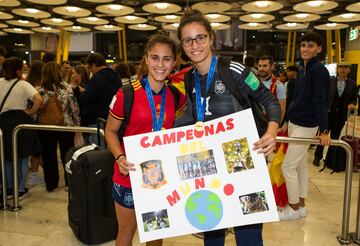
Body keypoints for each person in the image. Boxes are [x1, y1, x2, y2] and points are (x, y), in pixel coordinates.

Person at [177, 9, 281, 246]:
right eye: (188, 40)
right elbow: (193, 115)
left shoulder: (233, 70)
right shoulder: (189, 78)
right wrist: (162, 135)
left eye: (200, 37)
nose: (195, 45)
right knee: (212, 228)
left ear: (211, 38)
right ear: (182, 45)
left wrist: (271, 131)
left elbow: (270, 101)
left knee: (248, 235)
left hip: (243, 159)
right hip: (209, 162)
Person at [105, 33, 186, 246]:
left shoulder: (177, 97)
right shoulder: (126, 94)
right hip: (128, 174)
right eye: (155, 57)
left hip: (160, 178)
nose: (160, 64)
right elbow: (110, 132)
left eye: (167, 59)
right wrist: (119, 157)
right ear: (146, 59)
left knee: (155, 233)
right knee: (126, 233)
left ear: (175, 61)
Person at [279, 32, 331, 220]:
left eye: (310, 45)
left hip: (307, 126)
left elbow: (321, 101)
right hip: (295, 122)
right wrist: (286, 122)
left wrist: (324, 130)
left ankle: (293, 208)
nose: (305, 49)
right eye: (303, 45)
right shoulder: (303, 69)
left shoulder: (319, 71)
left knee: (288, 167)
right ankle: (300, 205)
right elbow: (296, 99)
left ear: (318, 49)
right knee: (300, 166)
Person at [0, 57, 42, 200]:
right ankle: (20, 189)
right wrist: (31, 112)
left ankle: (9, 189)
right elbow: (39, 99)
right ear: (18, 70)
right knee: (22, 157)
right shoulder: (23, 84)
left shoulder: (0, 82)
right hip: (20, 123)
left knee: (6, 158)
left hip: (3, 123)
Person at [37, 61, 81, 192]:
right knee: (67, 154)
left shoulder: (39, 89)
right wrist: (77, 124)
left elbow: (38, 108)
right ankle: (69, 183)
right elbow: (74, 108)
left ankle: (51, 184)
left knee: (48, 156)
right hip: (65, 126)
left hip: (46, 127)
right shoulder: (66, 87)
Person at [313, 62, 357, 166]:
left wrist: (352, 104)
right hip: (327, 114)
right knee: (323, 136)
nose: (343, 70)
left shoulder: (352, 84)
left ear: (349, 70)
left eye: (346, 68)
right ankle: (317, 157)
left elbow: (354, 100)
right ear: (337, 69)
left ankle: (329, 161)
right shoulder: (329, 80)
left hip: (341, 116)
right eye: (341, 67)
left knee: (335, 138)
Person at [78, 53, 121, 145]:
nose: (90, 71)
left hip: (97, 119)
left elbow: (87, 98)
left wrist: (82, 93)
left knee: (98, 149)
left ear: (94, 65)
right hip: (114, 118)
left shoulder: (97, 78)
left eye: (89, 68)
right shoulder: (116, 76)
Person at [25, 59, 45, 186]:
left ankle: (32, 172)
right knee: (36, 149)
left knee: (33, 149)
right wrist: (32, 112)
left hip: (25, 120)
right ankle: (33, 173)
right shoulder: (39, 86)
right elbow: (39, 101)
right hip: (35, 120)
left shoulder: (26, 83)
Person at [258, 55, 286, 122]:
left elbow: (282, 108)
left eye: (265, 66)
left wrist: (277, 126)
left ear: (272, 67)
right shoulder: (252, 81)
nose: (261, 68)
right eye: (259, 66)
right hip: (254, 120)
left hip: (269, 121)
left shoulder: (278, 85)